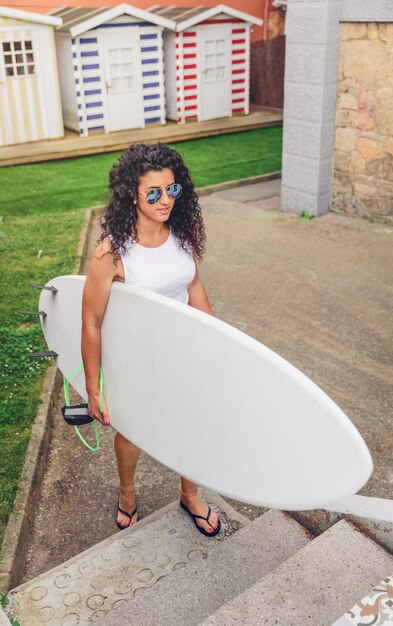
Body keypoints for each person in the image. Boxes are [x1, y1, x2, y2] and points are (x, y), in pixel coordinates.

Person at [81, 143, 221, 537]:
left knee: (193, 424)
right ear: (133, 195)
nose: (166, 201)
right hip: (139, 359)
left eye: (172, 190)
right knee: (132, 433)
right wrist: (94, 387)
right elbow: (90, 322)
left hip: (184, 351)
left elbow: (193, 286)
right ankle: (127, 495)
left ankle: (190, 494)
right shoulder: (111, 253)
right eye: (154, 194)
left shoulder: (181, 235)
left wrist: (218, 345)